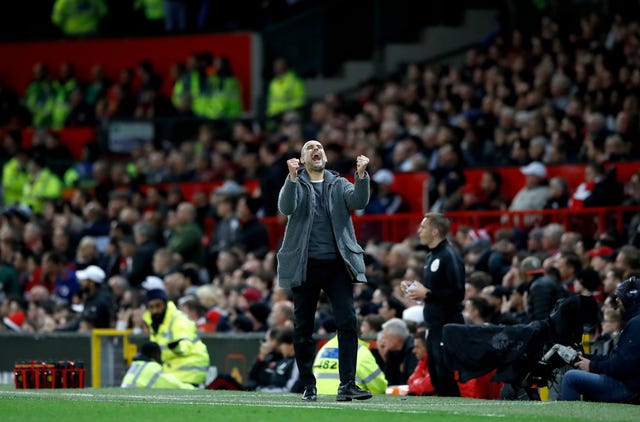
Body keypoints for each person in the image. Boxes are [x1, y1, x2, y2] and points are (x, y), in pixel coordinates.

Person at [276, 139, 372, 402]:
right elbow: (286, 207)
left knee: (347, 322)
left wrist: (361, 175)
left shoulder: (338, 183)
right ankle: (308, 384)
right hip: (305, 264)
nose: (316, 150)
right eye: (310, 148)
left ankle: (347, 385)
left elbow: (359, 201)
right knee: (303, 327)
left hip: (336, 265)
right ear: (302, 159)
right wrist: (291, 178)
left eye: (319, 147)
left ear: (325, 157)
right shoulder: (297, 181)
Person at [401, 212, 465, 397]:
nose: (419, 231)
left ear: (435, 231)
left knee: (446, 377)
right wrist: (413, 288)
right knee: (437, 377)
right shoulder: (431, 256)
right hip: (434, 326)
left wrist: (427, 293)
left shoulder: (449, 255)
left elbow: (458, 293)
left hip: (448, 325)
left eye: (423, 227)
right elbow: (434, 292)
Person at [560, 277, 640, 403]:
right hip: (630, 383)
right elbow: (618, 359)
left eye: (621, 296)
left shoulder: (636, 324)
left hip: (629, 388)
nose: (617, 299)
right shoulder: (634, 321)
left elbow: (621, 366)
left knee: (571, 378)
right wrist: (587, 358)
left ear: (632, 298)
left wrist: (592, 366)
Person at [142, 287, 210, 386]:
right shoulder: (155, 324)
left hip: (189, 370)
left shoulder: (179, 320)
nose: (155, 310)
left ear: (165, 304)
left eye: (158, 305)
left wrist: (177, 347)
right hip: (173, 370)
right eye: (151, 307)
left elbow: (185, 344)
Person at [313, 334, 388, 396]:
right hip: (349, 402)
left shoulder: (325, 348)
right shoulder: (361, 352)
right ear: (360, 332)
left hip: (319, 398)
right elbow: (380, 387)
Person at [121, 341, 196, 389]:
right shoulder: (152, 367)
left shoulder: (136, 364)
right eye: (159, 353)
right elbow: (172, 384)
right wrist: (193, 389)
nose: (160, 357)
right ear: (154, 354)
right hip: (134, 399)